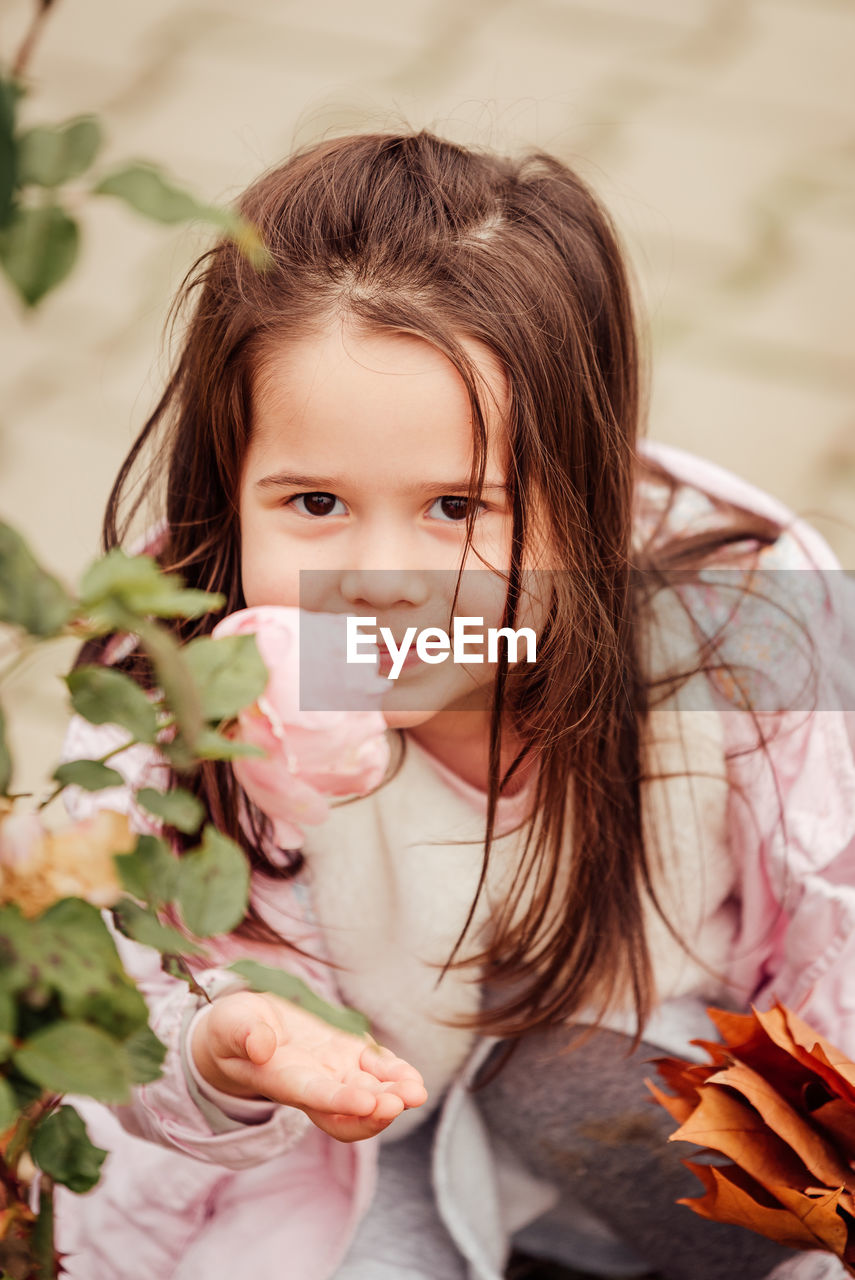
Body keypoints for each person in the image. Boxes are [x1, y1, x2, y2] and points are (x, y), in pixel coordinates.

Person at [53, 131, 855, 1280]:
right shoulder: (189, 694)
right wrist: (220, 1051)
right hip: (362, 1140)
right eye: (316, 500)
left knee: (575, 1082)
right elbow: (132, 991)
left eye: (457, 506)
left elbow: (841, 943)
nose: (383, 574)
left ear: (582, 483)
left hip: (660, 1073)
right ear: (230, 489)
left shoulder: (744, 639)